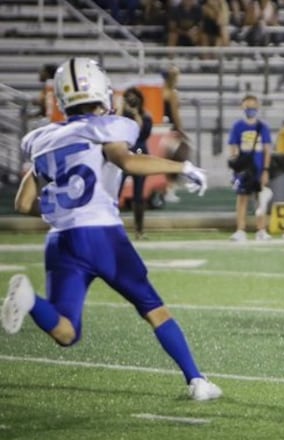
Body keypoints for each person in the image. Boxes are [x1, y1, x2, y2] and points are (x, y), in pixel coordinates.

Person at [0, 57, 220, 400]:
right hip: (102, 234)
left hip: (61, 241)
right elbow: (128, 161)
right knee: (154, 308)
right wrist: (183, 166)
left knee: (66, 332)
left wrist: (64, 208)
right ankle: (197, 381)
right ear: (101, 89)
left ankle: (29, 300)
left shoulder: (45, 139)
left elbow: (24, 203)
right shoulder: (107, 128)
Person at [227, 94, 274, 242]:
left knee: (260, 199)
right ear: (243, 107)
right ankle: (240, 229)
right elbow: (233, 148)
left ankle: (261, 229)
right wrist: (236, 167)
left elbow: (267, 150)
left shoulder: (262, 127)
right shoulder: (237, 126)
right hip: (244, 168)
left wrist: (266, 170)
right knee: (242, 198)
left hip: (258, 168)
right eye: (248, 107)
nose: (251, 110)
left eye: (253, 107)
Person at [120, 86, 153, 240]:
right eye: (129, 98)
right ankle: (113, 229)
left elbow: (142, 134)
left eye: (134, 99)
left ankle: (139, 230)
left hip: (140, 154)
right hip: (124, 155)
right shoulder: (121, 116)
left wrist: (135, 114)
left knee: (138, 195)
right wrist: (121, 108)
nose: (132, 102)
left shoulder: (146, 116)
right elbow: (115, 128)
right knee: (116, 191)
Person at [162, 66, 189, 203]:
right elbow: (175, 115)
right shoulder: (172, 93)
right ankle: (170, 188)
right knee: (177, 157)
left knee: (164, 159)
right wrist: (180, 130)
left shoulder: (159, 92)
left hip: (160, 129)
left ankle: (167, 188)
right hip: (170, 130)